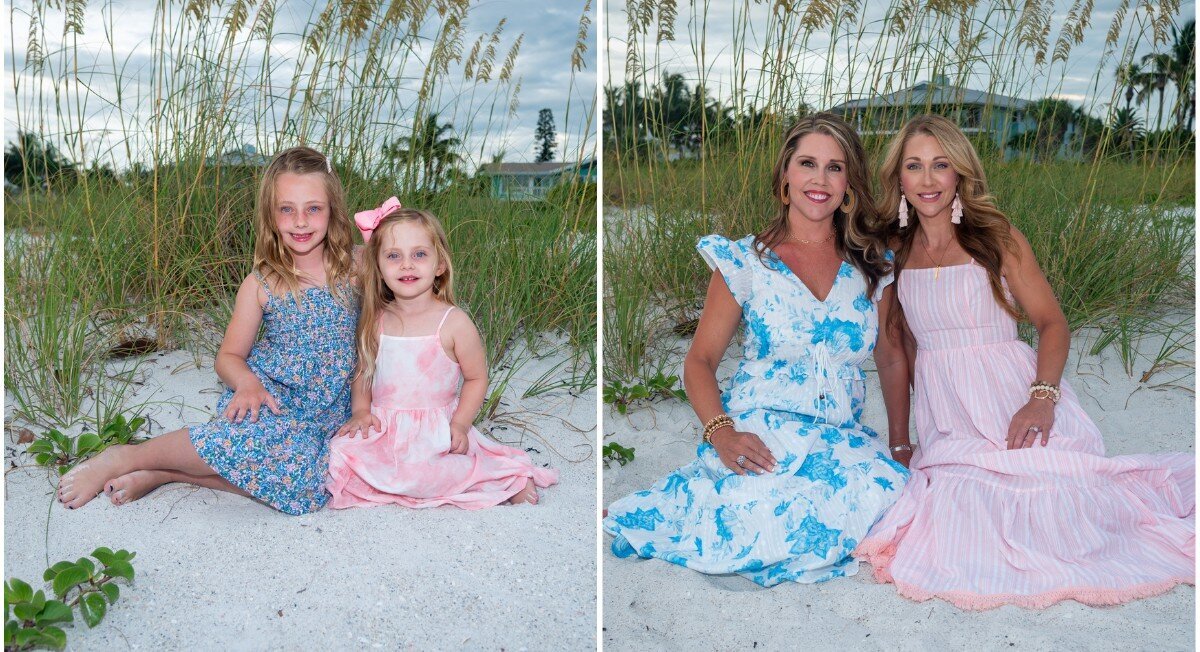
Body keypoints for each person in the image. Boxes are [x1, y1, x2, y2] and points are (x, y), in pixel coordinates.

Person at [855, 114, 1195, 609]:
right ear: (899, 178)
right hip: (951, 417)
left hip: (1014, 397)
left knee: (1060, 499)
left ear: (960, 174)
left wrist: (1041, 401)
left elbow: (1053, 323)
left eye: (940, 165)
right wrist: (901, 442)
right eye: (914, 166)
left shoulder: (997, 238)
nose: (928, 180)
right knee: (962, 508)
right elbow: (894, 353)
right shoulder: (893, 250)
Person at [603, 114, 911, 586]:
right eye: (807, 163)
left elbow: (890, 358)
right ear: (785, 176)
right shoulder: (746, 260)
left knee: (888, 495)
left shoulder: (872, 264)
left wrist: (898, 444)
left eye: (834, 167)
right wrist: (722, 433)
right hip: (763, 430)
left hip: (839, 439)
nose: (819, 179)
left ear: (849, 184)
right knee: (757, 518)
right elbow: (699, 362)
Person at [56, 146, 359, 515]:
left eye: (313, 208)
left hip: (330, 410)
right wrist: (247, 383)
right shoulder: (262, 283)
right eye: (286, 209)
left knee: (311, 486)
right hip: (272, 399)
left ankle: (167, 474)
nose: (300, 221)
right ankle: (128, 456)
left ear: (333, 211)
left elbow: (406, 270)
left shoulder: (357, 267)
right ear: (270, 214)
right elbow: (228, 356)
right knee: (249, 445)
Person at [325, 201, 558, 509]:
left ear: (439, 265)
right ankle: (392, 480)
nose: (407, 265)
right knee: (339, 453)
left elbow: (476, 377)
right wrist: (360, 412)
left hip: (434, 433)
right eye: (394, 256)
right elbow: (363, 371)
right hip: (386, 428)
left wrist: (460, 424)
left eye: (419, 254)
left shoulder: (454, 322)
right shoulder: (375, 319)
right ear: (378, 267)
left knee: (428, 474)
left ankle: (505, 479)